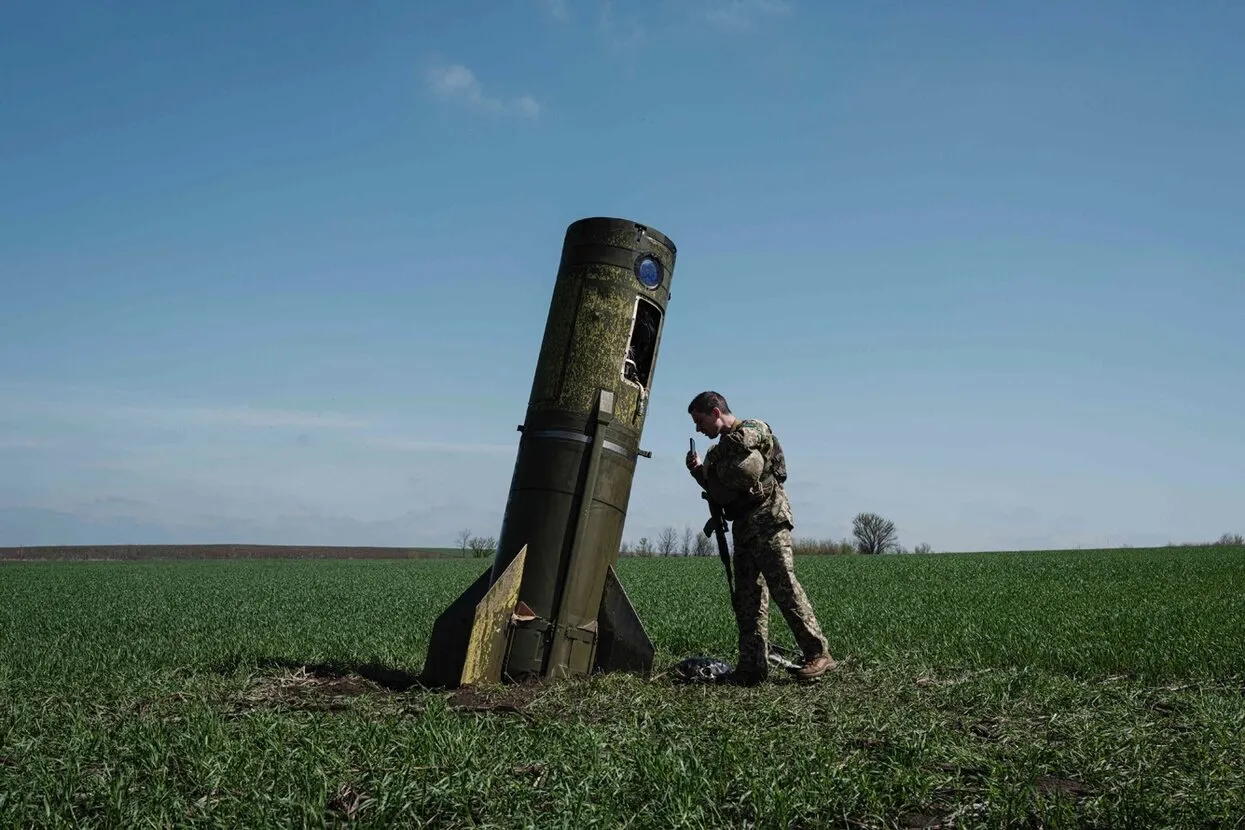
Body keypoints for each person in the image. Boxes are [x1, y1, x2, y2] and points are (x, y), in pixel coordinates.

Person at [685, 390, 835, 685]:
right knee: (748, 599)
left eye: (700, 421)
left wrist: (712, 458)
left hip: (769, 519)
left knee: (784, 587)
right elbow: (719, 489)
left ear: (716, 413)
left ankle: (818, 654)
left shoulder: (754, 428)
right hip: (743, 525)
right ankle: (752, 668)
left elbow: (743, 441)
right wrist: (700, 472)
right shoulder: (724, 451)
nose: (698, 429)